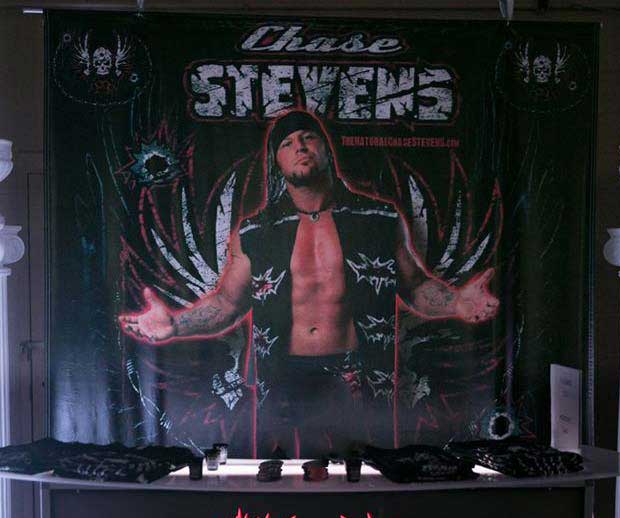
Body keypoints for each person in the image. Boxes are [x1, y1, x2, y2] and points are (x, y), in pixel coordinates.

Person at [120, 109, 498, 456]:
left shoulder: (378, 218)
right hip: (281, 376)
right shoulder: (255, 232)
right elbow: (227, 304)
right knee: (277, 479)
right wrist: (176, 324)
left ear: (327, 150)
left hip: (357, 373)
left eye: (308, 137)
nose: (299, 146)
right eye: (286, 143)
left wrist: (456, 302)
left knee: (365, 476)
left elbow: (415, 286)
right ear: (277, 163)